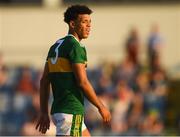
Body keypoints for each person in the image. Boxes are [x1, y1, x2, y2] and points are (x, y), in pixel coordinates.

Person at [35, 5, 111, 136]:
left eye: (90, 23)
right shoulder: (75, 47)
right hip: (71, 110)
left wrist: (43, 112)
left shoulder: (55, 46)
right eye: (84, 22)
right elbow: (82, 82)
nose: (88, 26)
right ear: (72, 24)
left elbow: (44, 81)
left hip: (61, 109)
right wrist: (101, 106)